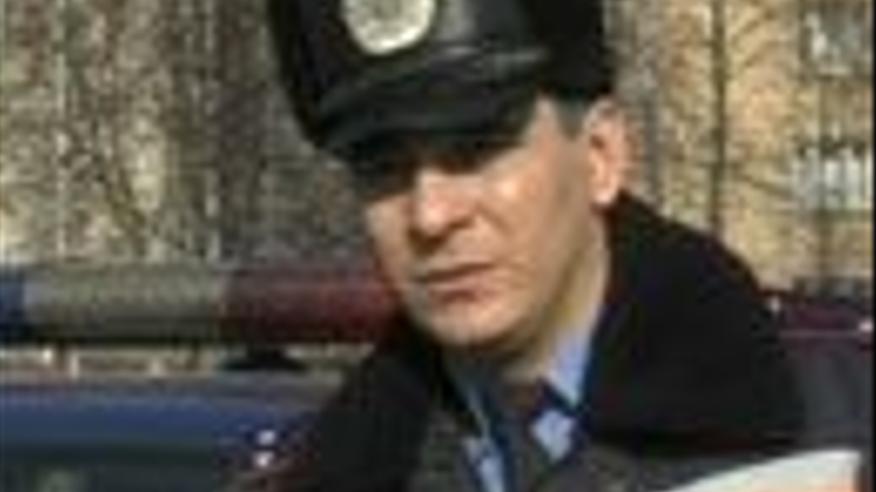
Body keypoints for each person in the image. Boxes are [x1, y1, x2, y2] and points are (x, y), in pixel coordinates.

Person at [249, 0, 868, 490]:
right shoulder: (323, 470)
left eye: (477, 150)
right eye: (383, 169)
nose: (430, 215)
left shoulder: (839, 427)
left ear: (601, 156)